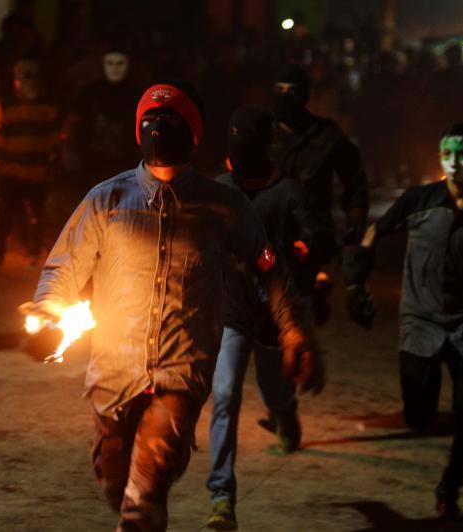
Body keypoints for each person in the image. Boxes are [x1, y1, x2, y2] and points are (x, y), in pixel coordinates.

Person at [28, 82, 320, 531]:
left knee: (145, 486)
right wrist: (47, 311)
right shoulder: (107, 200)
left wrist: (291, 328)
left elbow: (267, 265)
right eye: (150, 120)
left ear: (194, 135)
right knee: (115, 478)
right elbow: (64, 268)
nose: (159, 128)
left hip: (182, 369)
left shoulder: (223, 206)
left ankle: (147, 504)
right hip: (113, 374)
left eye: (171, 121)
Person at [346, 124, 463, 518]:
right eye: (449, 154)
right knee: (418, 417)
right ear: (440, 156)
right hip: (420, 322)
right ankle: (427, 384)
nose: (456, 163)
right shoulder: (420, 200)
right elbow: (376, 229)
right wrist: (355, 283)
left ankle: (449, 489)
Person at [206, 105, 324, 530]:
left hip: (276, 319)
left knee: (275, 388)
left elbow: (313, 240)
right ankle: (222, 498)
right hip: (235, 315)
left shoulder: (287, 193)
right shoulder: (220, 191)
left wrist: (302, 260)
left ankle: (285, 418)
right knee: (224, 397)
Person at [269, 64, 369, 325]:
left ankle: (313, 295)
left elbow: (354, 180)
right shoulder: (260, 131)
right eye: (280, 90)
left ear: (304, 95)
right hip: (267, 231)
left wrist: (354, 225)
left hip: (310, 235)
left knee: (294, 310)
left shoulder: (326, 134)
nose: (286, 96)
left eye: (292, 91)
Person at [0, 57, 62, 269]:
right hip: (11, 171)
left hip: (37, 171)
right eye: (23, 72)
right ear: (15, 77)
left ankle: (34, 255)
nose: (27, 76)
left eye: (31, 71)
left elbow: (54, 138)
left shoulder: (48, 104)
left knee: (36, 215)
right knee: (4, 215)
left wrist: (52, 164)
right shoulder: (6, 104)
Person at [66, 48, 139, 187]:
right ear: (103, 65)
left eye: (120, 63)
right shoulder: (88, 94)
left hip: (126, 168)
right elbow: (74, 127)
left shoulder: (135, 95)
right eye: (110, 63)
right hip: (92, 167)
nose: (115, 68)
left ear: (128, 65)